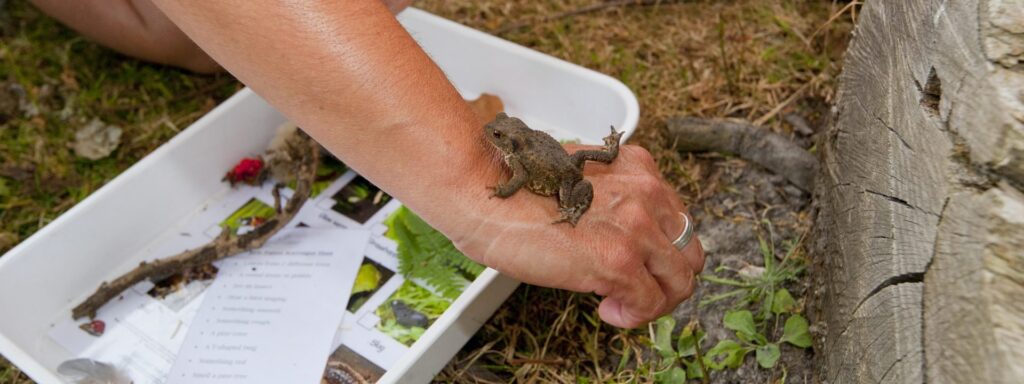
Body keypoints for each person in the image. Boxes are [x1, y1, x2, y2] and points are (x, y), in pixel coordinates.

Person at [30, 0, 704, 329]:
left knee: (196, 38)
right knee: (184, 33)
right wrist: (469, 189)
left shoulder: (533, 159)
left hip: (563, 179)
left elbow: (564, 165)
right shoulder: (512, 152)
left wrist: (570, 183)